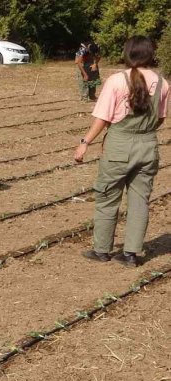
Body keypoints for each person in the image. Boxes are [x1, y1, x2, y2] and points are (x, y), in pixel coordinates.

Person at [75, 36, 168, 267]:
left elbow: (103, 118)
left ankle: (102, 250)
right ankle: (131, 255)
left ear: (127, 54)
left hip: (119, 145)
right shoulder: (163, 83)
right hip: (147, 147)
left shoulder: (117, 80)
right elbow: (161, 118)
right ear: (150, 54)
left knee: (107, 198)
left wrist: (85, 142)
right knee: (139, 202)